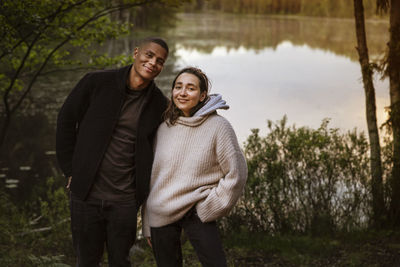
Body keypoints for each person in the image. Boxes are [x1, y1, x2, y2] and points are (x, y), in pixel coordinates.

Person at [56, 37, 169, 267]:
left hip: (125, 202)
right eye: (149, 55)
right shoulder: (96, 83)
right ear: (136, 52)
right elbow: (66, 120)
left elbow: (175, 139)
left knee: (120, 261)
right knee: (86, 261)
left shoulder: (159, 104)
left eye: (159, 61)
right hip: (85, 196)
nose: (152, 63)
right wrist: (70, 170)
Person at [142, 67, 248, 267]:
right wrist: (147, 223)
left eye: (190, 88)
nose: (182, 93)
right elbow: (153, 178)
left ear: (202, 96)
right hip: (161, 212)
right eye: (178, 87)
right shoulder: (164, 128)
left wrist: (212, 206)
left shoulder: (218, 126)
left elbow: (237, 173)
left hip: (198, 210)